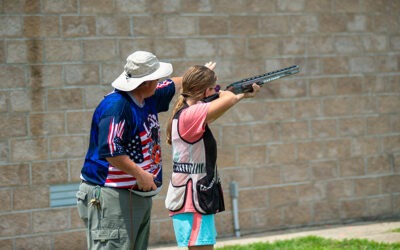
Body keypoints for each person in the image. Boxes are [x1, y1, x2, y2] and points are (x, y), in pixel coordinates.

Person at [76, 51, 182, 249]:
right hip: (111, 195)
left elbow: (175, 84)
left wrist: (199, 77)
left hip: (133, 195)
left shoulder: (148, 96)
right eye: (156, 78)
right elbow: (111, 150)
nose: (160, 81)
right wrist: (140, 174)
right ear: (147, 82)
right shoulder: (117, 107)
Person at [165, 64, 260, 249]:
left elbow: (219, 108)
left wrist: (242, 94)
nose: (218, 90)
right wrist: (232, 92)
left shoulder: (188, 111)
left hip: (192, 198)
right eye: (214, 87)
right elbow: (229, 98)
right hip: (193, 200)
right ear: (204, 91)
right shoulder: (191, 114)